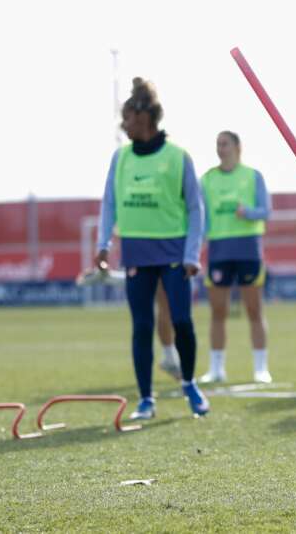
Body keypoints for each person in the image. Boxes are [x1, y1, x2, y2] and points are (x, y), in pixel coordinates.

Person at [96, 77, 209, 418]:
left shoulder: (178, 156)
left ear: (144, 117)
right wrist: (103, 244)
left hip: (174, 252)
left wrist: (191, 254)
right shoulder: (120, 158)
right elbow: (109, 204)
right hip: (136, 252)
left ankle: (189, 383)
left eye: (127, 118)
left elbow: (196, 209)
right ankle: (146, 399)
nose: (124, 125)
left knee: (182, 321)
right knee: (142, 326)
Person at [197, 131, 273, 384]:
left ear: (238, 147)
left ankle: (261, 368)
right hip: (219, 250)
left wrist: (248, 212)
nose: (221, 148)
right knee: (218, 311)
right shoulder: (207, 179)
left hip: (248, 249)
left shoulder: (253, 176)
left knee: (254, 309)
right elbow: (201, 217)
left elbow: (266, 211)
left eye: (225, 144)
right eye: (218, 144)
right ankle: (216, 368)